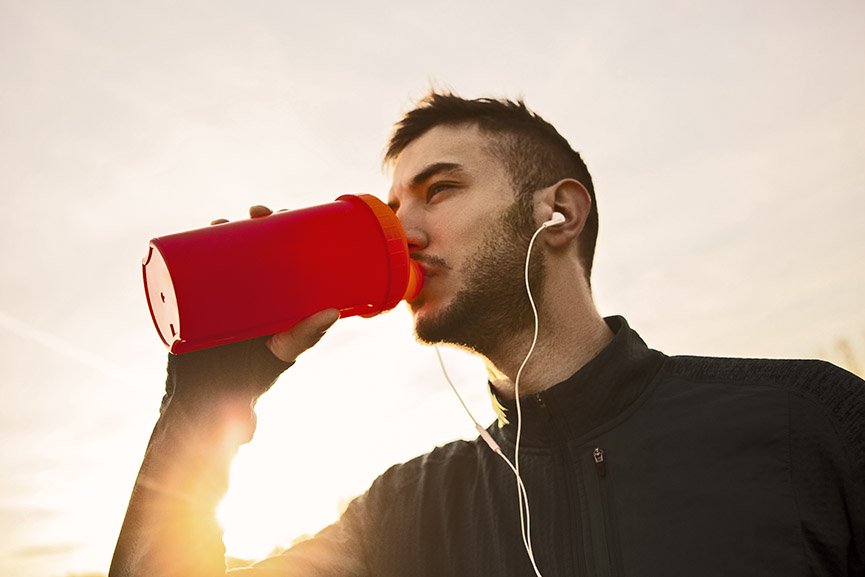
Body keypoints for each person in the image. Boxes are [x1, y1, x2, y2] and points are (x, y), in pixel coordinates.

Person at [109, 93, 865, 577]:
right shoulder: (401, 512)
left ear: (558, 214)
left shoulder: (808, 420)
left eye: (439, 190)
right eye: (390, 206)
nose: (400, 232)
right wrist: (206, 403)